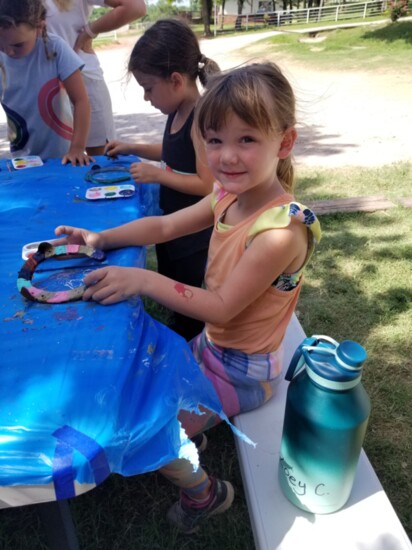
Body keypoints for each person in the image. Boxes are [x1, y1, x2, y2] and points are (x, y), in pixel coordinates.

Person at [55, 62, 322, 533]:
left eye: (246, 140)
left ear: (283, 142)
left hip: (244, 372)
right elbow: (164, 226)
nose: (227, 156)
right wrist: (100, 238)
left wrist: (143, 281)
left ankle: (204, 494)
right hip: (213, 346)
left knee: (140, 431)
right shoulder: (226, 194)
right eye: (215, 140)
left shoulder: (281, 231)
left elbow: (220, 307)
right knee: (129, 381)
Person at [104, 18, 219, 342]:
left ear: (176, 80)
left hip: (192, 236)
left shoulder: (199, 116)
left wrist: (158, 174)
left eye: (148, 88)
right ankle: (180, 328)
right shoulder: (177, 110)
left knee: (186, 297)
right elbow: (173, 151)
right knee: (171, 283)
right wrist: (134, 147)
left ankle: (191, 343)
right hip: (173, 227)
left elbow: (206, 183)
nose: (145, 97)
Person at [44, 0, 146, 156]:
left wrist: (90, 31)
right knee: (48, 164)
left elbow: (135, 6)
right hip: (40, 85)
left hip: (84, 77)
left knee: (101, 160)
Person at [0, 0, 91, 165]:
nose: (8, 52)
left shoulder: (56, 47)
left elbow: (81, 101)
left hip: (63, 156)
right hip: (23, 158)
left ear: (39, 27)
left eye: (18, 45)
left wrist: (77, 148)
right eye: (0, 46)